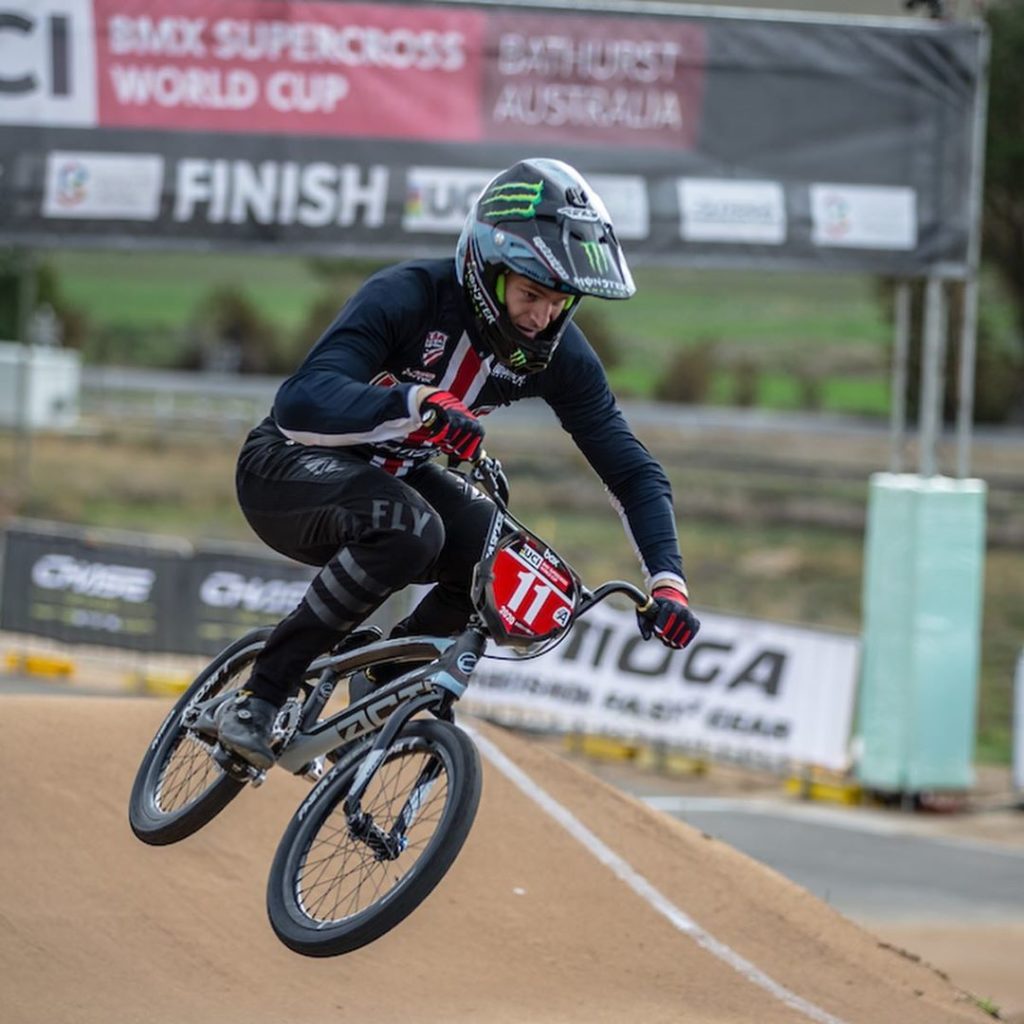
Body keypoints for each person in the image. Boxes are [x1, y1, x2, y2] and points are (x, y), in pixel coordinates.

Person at [216, 157, 700, 769]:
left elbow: (631, 469)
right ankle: (260, 697)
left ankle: (380, 688)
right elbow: (299, 401)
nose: (541, 317)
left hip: (395, 478)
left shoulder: (558, 354)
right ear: (486, 272)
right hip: (287, 467)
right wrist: (413, 403)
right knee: (411, 528)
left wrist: (668, 581)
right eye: (530, 295)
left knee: (501, 566)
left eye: (558, 303)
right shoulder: (408, 296)